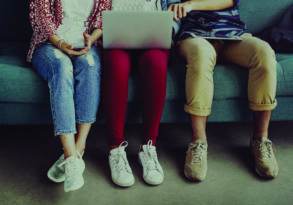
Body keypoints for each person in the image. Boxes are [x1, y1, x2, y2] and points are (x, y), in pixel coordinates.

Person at [169, 0, 279, 181]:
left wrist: (190, 4)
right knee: (202, 55)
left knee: (264, 53)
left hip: (232, 33)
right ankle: (198, 143)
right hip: (194, 35)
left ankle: (260, 140)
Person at [28, 0, 111, 192]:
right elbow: (42, 20)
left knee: (90, 66)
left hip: (86, 44)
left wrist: (92, 38)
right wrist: (61, 44)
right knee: (62, 66)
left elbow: (103, 18)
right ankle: (70, 157)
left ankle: (78, 149)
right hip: (50, 44)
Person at [103, 0, 180, 187]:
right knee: (117, 66)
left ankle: (149, 146)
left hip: (153, 39)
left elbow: (175, 10)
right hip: (116, 38)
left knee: (156, 64)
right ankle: (116, 149)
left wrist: (169, 27)